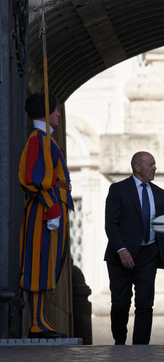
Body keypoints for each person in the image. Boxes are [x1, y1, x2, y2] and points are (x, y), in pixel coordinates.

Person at [18, 93, 73, 339]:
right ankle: (36, 323)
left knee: (47, 265)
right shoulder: (38, 140)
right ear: (44, 112)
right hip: (45, 210)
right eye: (55, 110)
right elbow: (34, 180)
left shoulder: (46, 140)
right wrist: (52, 208)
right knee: (37, 264)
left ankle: (41, 320)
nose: (58, 114)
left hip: (52, 209)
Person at [104, 151, 164, 345]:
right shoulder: (118, 190)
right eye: (151, 164)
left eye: (154, 164)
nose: (154, 168)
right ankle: (119, 342)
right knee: (120, 304)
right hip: (121, 255)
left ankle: (141, 347)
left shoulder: (159, 193)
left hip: (148, 254)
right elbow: (111, 224)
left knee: (144, 304)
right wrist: (121, 249)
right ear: (137, 167)